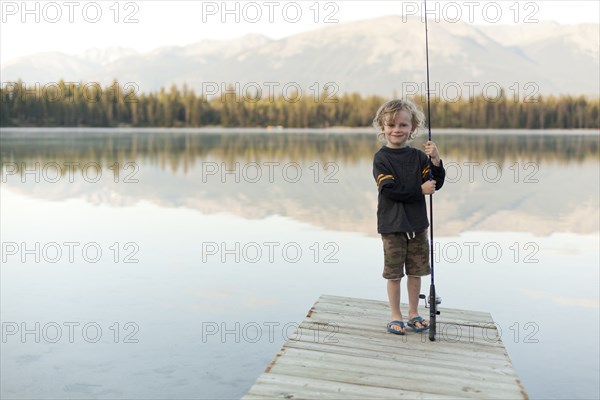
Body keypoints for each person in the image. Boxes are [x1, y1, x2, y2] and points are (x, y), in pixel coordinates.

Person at [372, 99, 445, 335]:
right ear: (382, 128)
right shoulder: (381, 159)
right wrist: (419, 190)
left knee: (416, 272)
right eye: (391, 125)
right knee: (394, 275)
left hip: (417, 225)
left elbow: (434, 183)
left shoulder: (419, 157)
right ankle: (396, 316)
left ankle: (414, 313)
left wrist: (435, 161)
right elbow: (390, 190)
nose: (397, 130)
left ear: (412, 128)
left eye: (403, 125)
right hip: (392, 226)